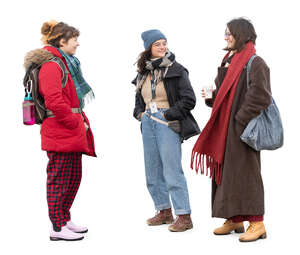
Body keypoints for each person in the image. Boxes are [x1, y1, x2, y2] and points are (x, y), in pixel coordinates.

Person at [191, 18, 271, 242]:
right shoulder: (229, 60)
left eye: (229, 33)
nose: (226, 37)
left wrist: (240, 119)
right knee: (226, 174)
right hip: (224, 128)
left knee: (247, 175)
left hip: (242, 130)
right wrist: (212, 99)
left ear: (241, 34)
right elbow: (224, 95)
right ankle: (234, 218)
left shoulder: (255, 62)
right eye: (225, 33)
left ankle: (257, 223)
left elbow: (261, 96)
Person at [24, 20, 96, 241]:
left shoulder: (66, 64)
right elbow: (54, 101)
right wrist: (74, 122)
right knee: (59, 179)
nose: (77, 43)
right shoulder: (52, 65)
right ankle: (56, 227)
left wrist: (79, 122)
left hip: (70, 130)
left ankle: (64, 219)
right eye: (74, 39)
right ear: (62, 40)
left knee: (73, 177)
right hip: (60, 130)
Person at [133, 29, 200, 232]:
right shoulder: (143, 73)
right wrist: (140, 115)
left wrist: (168, 115)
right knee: (152, 170)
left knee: (172, 170)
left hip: (166, 123)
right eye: (157, 44)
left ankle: (184, 215)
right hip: (148, 123)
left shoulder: (176, 69)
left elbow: (189, 100)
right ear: (148, 48)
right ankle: (163, 211)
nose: (163, 47)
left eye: (164, 43)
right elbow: (138, 101)